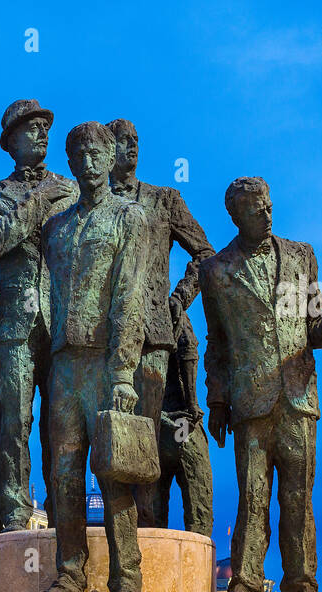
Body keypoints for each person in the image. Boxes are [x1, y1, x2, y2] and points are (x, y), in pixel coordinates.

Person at [202, 177, 322, 592]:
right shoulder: (216, 271)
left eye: (269, 206)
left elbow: (314, 329)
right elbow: (216, 345)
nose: (267, 215)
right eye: (256, 210)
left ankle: (303, 590)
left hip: (297, 395)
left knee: (298, 500)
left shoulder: (300, 256)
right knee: (252, 498)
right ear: (236, 215)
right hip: (251, 401)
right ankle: (246, 586)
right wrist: (217, 400)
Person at [28, 121, 148, 592]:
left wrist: (123, 373)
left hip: (104, 361)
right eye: (78, 153)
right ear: (71, 162)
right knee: (64, 473)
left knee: (114, 471)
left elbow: (130, 296)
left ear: (110, 157)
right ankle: (71, 577)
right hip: (64, 365)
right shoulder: (56, 227)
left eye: (96, 151)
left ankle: (127, 579)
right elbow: (43, 294)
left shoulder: (128, 218)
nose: (87, 161)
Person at [0, 99, 78, 530]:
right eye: (31, 128)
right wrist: (38, 201)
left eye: (45, 128)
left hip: (61, 323)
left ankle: (63, 510)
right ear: (10, 141)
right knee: (16, 421)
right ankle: (16, 512)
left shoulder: (72, 189)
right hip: (15, 324)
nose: (42, 135)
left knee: (62, 423)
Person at [105, 119, 215, 528]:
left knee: (145, 445)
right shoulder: (93, 205)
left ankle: (149, 549)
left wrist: (180, 297)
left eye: (136, 141)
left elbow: (205, 254)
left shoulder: (164, 199)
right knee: (111, 450)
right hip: (103, 340)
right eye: (122, 142)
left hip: (153, 334)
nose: (131, 148)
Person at [151, 303, 212, 536]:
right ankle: (196, 566)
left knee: (151, 514)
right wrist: (192, 403)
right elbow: (188, 351)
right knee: (199, 507)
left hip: (153, 425)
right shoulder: (170, 308)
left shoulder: (129, 310)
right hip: (181, 424)